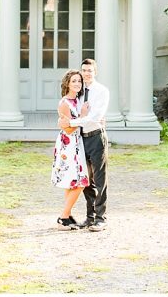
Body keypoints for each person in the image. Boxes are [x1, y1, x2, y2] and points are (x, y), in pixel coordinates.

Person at [59, 58, 109, 232]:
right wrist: (68, 121)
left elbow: (95, 117)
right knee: (86, 180)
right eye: (84, 70)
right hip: (81, 139)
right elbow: (69, 112)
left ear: (95, 72)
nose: (86, 73)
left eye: (89, 70)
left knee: (100, 179)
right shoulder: (79, 91)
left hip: (96, 137)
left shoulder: (101, 91)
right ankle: (90, 218)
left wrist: (73, 122)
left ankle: (101, 218)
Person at [52, 70, 90, 229]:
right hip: (68, 145)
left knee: (73, 182)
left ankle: (66, 217)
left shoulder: (78, 101)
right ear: (67, 83)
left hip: (77, 144)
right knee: (81, 182)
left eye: (79, 81)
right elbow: (67, 130)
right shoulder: (64, 103)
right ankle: (63, 217)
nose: (77, 84)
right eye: (74, 81)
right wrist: (82, 117)